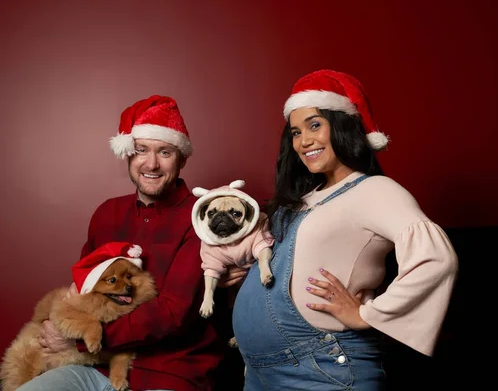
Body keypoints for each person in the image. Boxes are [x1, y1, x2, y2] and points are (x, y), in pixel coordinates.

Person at [231, 70, 459, 390]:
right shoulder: (300, 201)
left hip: (322, 369)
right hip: (260, 372)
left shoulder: (374, 190)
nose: (304, 141)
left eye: (314, 125)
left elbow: (436, 258)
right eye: (296, 131)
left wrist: (367, 315)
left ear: (341, 126)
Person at [20, 95, 224, 391]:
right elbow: (85, 289)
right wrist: (65, 324)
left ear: (181, 158)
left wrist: (81, 336)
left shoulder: (201, 217)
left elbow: (172, 313)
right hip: (96, 365)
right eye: (141, 150)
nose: (151, 163)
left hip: (169, 372)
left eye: (164, 152)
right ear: (128, 153)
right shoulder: (107, 213)